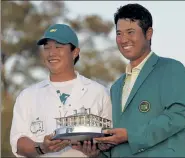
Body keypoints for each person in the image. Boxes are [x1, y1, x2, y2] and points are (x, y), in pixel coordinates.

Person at [93, 3, 185, 157]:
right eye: (119, 33)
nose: (123, 39)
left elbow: (177, 116)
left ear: (149, 33)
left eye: (130, 32)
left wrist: (130, 136)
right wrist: (95, 151)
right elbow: (113, 140)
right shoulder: (116, 86)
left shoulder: (171, 69)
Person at [10, 24, 112, 157]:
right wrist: (42, 147)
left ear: (75, 52)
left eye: (58, 47)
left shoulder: (99, 93)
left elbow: (111, 139)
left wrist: (95, 152)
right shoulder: (27, 96)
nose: (51, 53)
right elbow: (18, 142)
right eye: (47, 48)